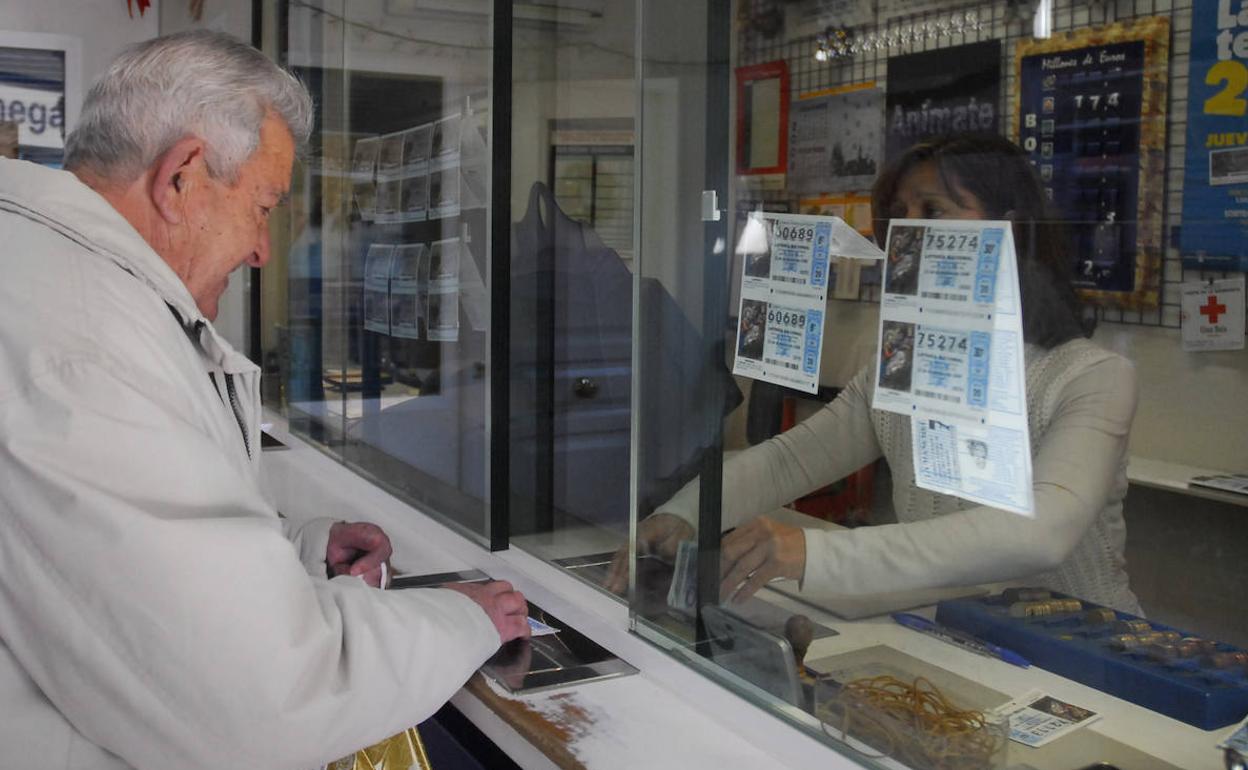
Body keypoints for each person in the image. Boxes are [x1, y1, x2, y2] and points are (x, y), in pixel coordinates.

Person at [0, 31, 527, 770]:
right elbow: (264, 701)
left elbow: (111, 565)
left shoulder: (43, 278)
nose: (262, 251)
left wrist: (297, 551)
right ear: (181, 177)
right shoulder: (85, 348)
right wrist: (461, 622)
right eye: (263, 206)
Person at [607, 133, 1141, 615]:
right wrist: (686, 513)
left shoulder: (1091, 377)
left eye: (934, 210)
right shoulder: (901, 367)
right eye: (899, 216)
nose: (909, 233)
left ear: (1012, 231)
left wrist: (808, 551)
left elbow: (1040, 533)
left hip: (1085, 660)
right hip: (959, 641)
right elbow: (789, 460)